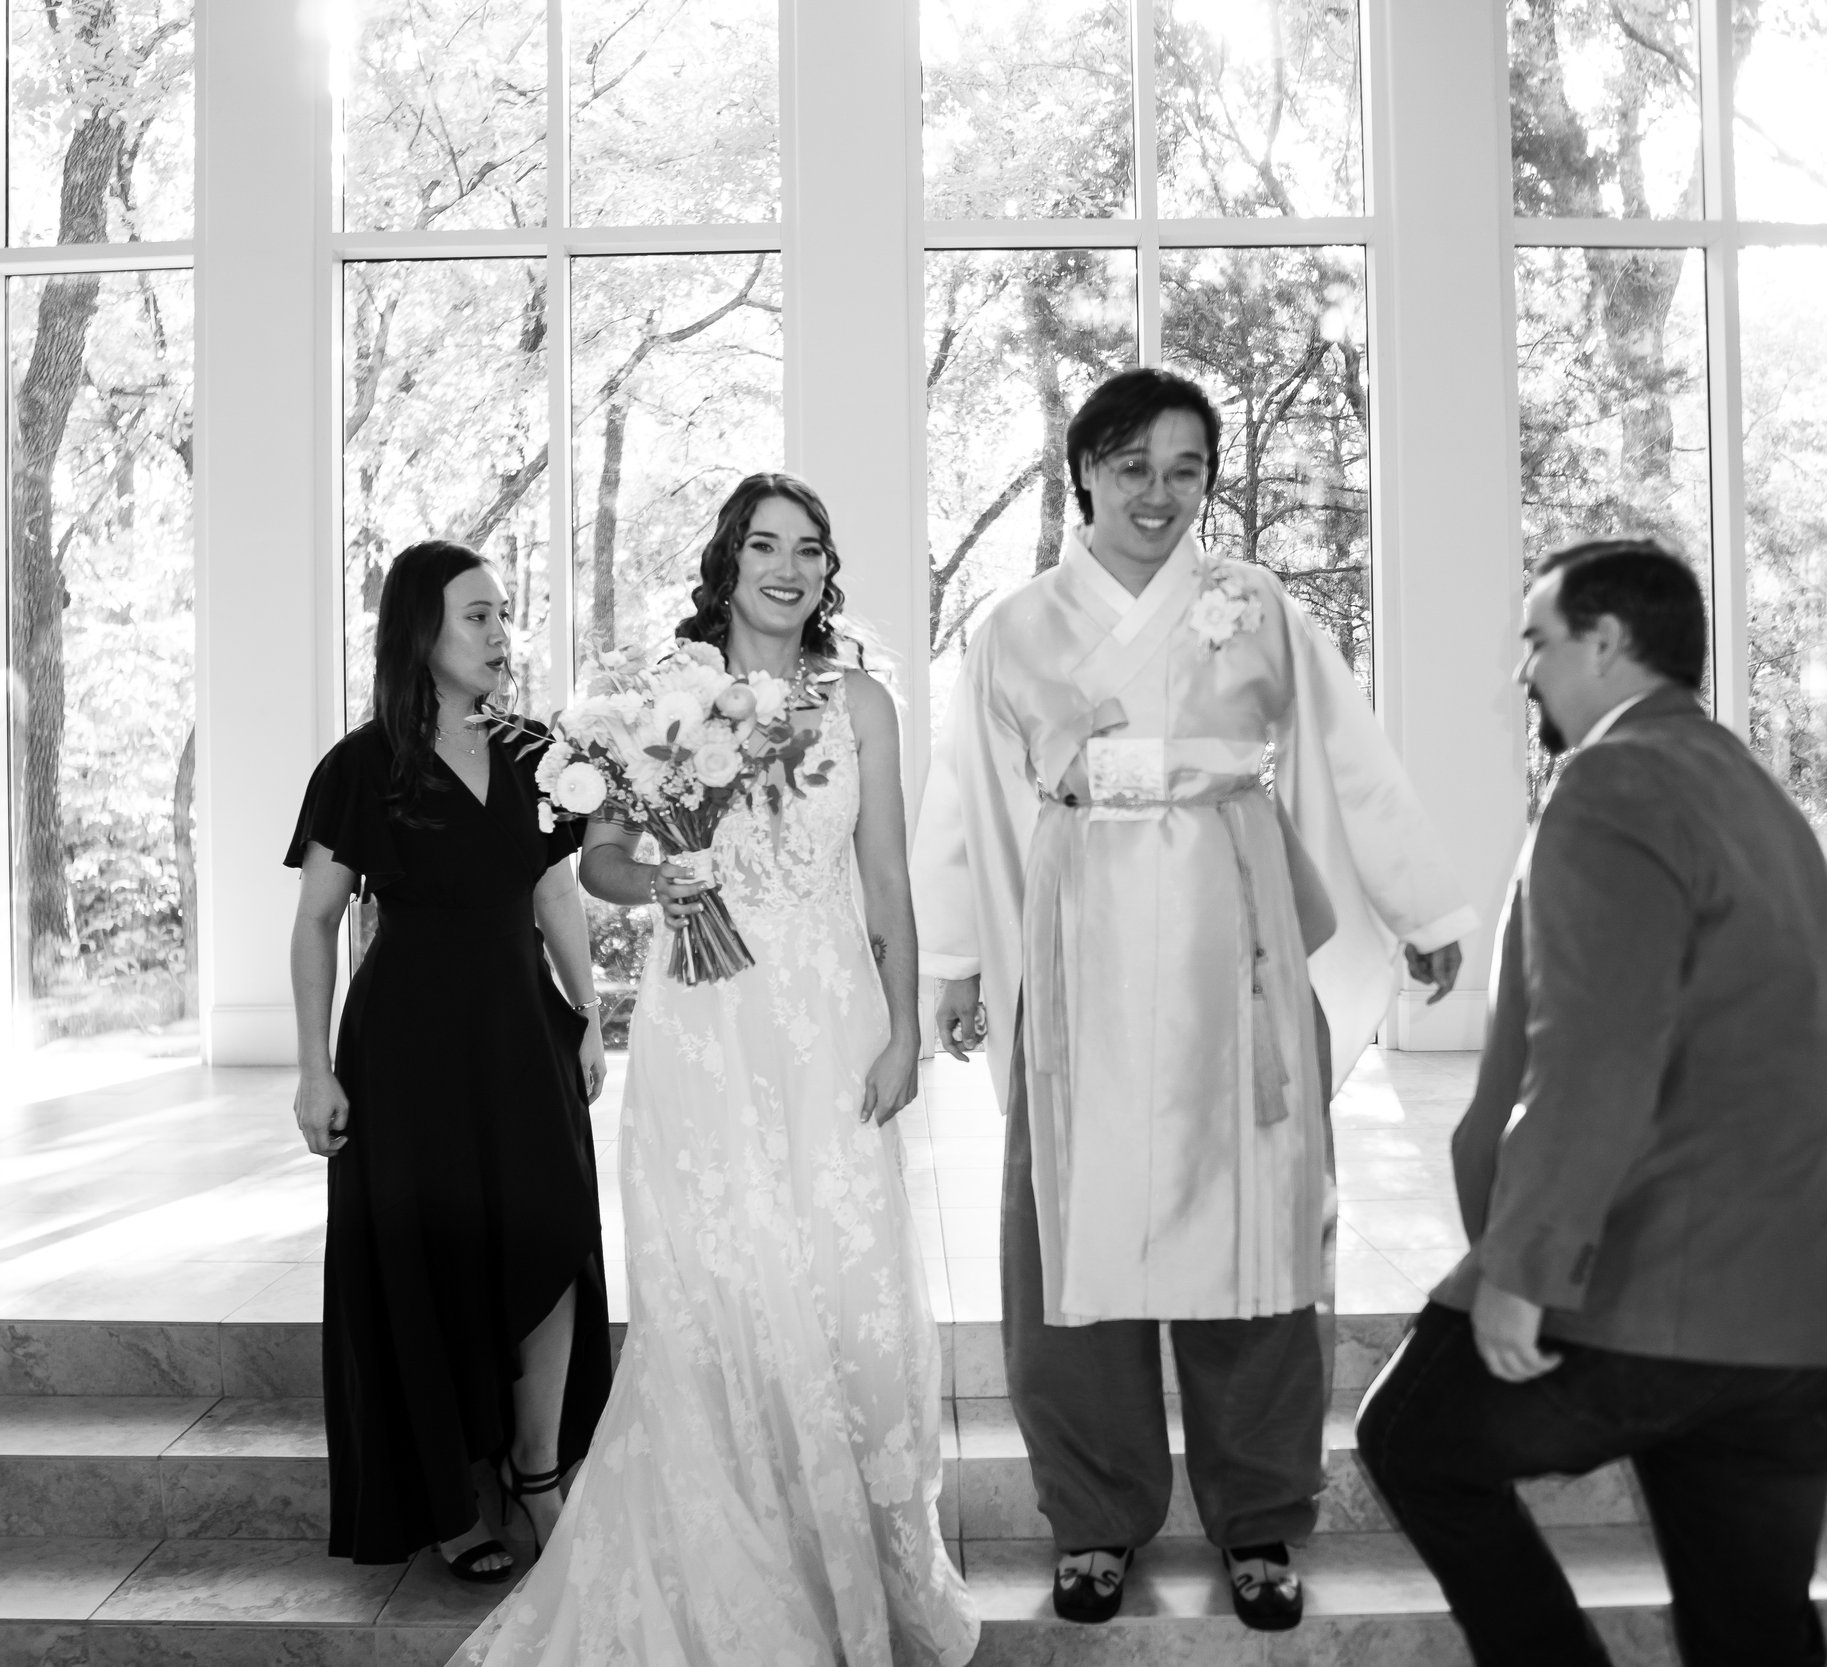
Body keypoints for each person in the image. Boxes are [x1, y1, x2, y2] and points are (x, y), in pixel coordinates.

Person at [912, 368, 1477, 1632]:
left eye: (1185, 469)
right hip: (1080, 956)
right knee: (1075, 1243)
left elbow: (1349, 757)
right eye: (1132, 467)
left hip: (1239, 951)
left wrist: (1424, 909)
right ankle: (1094, 1512)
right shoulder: (1012, 626)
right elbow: (961, 796)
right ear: (1083, 475)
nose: (1158, 493)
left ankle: (1259, 1511)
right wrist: (954, 960)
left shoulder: (1258, 607)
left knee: (1258, 1235)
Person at [450, 475, 978, 1666]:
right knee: (722, 1289)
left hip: (831, 1020)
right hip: (704, 1027)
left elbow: (885, 879)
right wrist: (664, 878)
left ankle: (857, 1568)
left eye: (809, 549)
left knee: (846, 1283)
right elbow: (598, 862)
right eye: (764, 546)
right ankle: (740, 1578)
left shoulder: (862, 703)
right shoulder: (660, 698)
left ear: (826, 569)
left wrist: (904, 1030)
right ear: (728, 563)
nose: (788, 568)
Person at [1354, 539, 1827, 1667]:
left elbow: (1595, 1054)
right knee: (1751, 1631)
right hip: (1808, 1304)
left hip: (1662, 1278)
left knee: (1410, 1434)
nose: (1524, 674)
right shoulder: (1752, 790)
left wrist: (1523, 1270)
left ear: (1604, 644)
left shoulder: (1612, 783)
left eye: (1537, 643)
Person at [287, 540, 614, 1584]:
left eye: (504, 613)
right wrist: (313, 1069)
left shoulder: (538, 754)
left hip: (522, 1028)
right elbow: (317, 920)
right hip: (406, 1051)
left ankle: (536, 1467)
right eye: (478, 615)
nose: (499, 632)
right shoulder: (361, 764)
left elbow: (554, 888)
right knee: (430, 1260)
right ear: (421, 630)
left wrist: (589, 1009)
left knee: (552, 1235)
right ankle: (455, 1495)